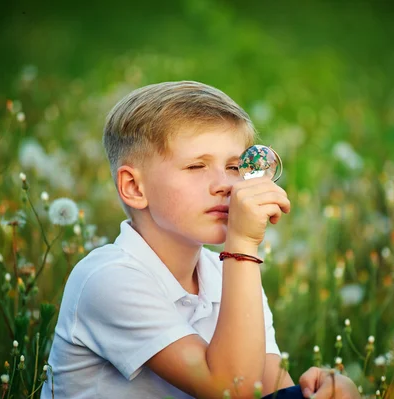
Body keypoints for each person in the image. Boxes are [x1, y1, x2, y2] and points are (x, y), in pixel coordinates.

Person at [41, 81, 360, 399]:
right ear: (135, 188)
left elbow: (270, 389)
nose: (225, 184)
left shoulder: (227, 274)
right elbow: (232, 391)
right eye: (196, 166)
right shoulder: (107, 277)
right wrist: (242, 246)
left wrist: (323, 391)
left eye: (235, 167)